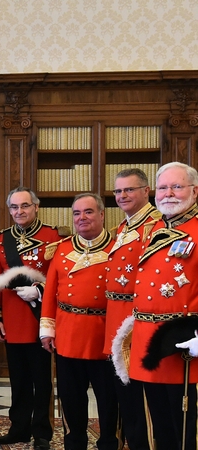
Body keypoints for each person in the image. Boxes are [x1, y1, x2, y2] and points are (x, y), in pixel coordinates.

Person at [126, 162, 198, 450]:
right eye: (163, 187)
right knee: (159, 423)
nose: (168, 193)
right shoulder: (154, 229)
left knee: (186, 426)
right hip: (150, 341)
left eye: (177, 186)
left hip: (184, 342)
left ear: (194, 190)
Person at [39, 193, 118, 450]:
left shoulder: (116, 247)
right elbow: (50, 293)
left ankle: (108, 442)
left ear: (102, 214)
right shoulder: (62, 249)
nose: (81, 218)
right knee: (71, 398)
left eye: (88, 212)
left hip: (104, 335)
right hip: (69, 334)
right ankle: (75, 443)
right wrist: (47, 330)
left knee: (108, 398)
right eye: (77, 213)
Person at [0, 187, 63, 450]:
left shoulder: (52, 236)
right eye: (14, 207)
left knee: (42, 380)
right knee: (17, 380)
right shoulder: (2, 239)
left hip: (40, 317)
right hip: (12, 319)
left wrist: (39, 290)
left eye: (25, 206)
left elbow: (57, 277)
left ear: (36, 207)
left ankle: (42, 432)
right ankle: (18, 428)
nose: (20, 212)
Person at [104, 168, 157, 450]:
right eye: (118, 191)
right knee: (126, 398)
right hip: (117, 322)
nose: (122, 196)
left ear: (146, 191)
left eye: (129, 190)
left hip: (139, 323)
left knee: (142, 401)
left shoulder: (156, 226)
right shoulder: (124, 228)